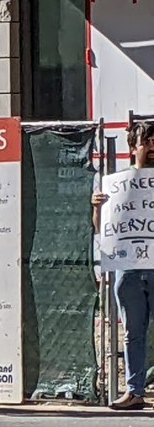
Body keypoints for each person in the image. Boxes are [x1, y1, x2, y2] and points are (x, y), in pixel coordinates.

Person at [92, 121, 154, 410]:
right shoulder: (117, 184)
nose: (152, 148)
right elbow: (101, 229)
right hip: (129, 268)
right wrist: (98, 207)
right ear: (133, 148)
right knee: (133, 331)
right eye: (147, 142)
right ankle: (134, 391)